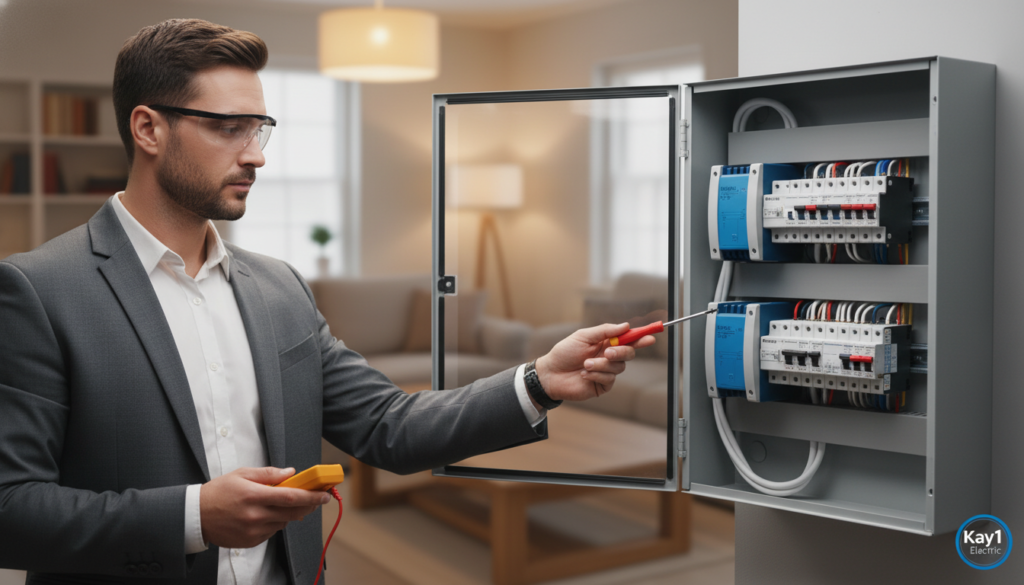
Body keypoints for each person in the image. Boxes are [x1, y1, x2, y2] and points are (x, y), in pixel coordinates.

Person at [0, 18, 655, 585]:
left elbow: (387, 426)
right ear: (148, 128)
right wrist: (193, 516)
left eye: (261, 128)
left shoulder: (279, 286)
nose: (255, 155)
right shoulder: (38, 291)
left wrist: (540, 380)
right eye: (229, 127)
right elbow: (11, 509)